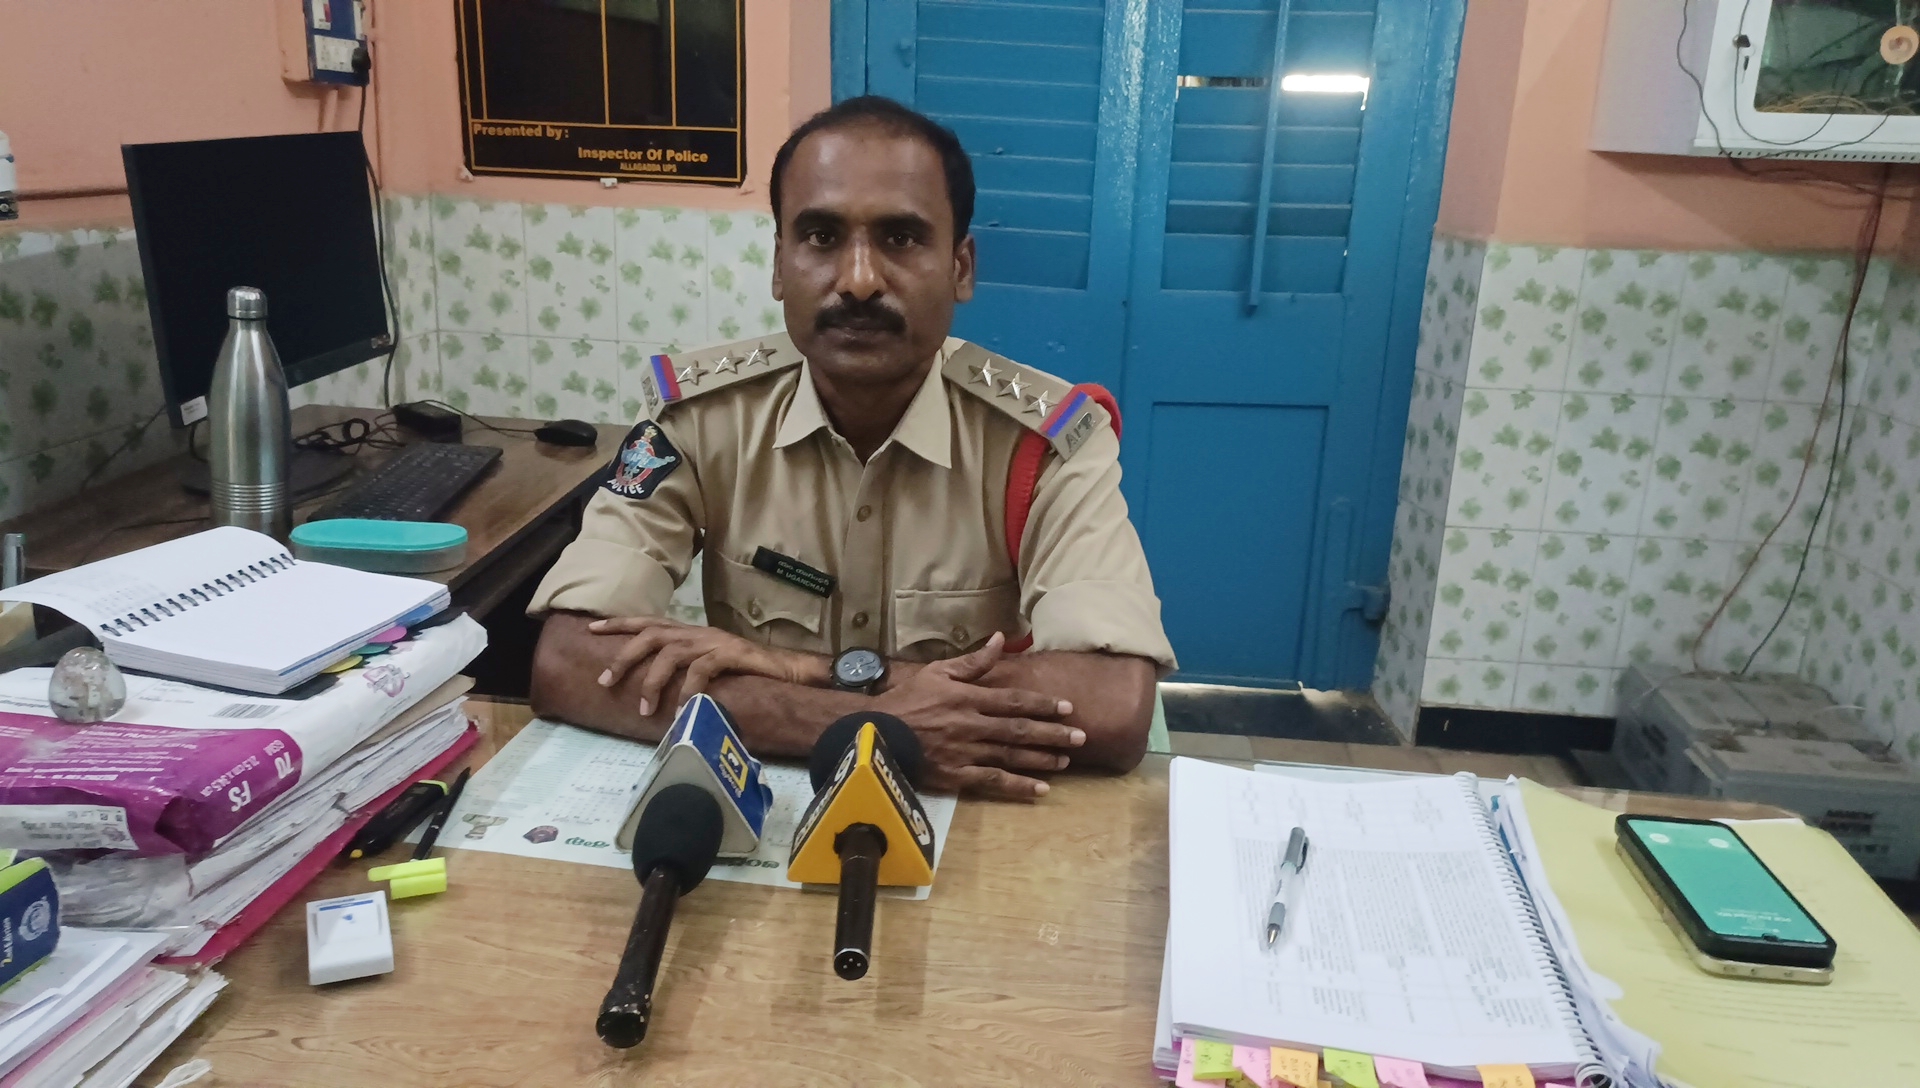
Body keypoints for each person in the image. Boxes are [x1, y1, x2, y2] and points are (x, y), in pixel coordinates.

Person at [527, 96, 1175, 800]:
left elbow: (1113, 704)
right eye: (821, 236)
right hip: (770, 799)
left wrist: (801, 672)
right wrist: (872, 724)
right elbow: (567, 661)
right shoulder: (702, 418)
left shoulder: (1045, 442)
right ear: (780, 264)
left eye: (900, 238)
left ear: (960, 267)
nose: (860, 279)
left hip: (969, 810)